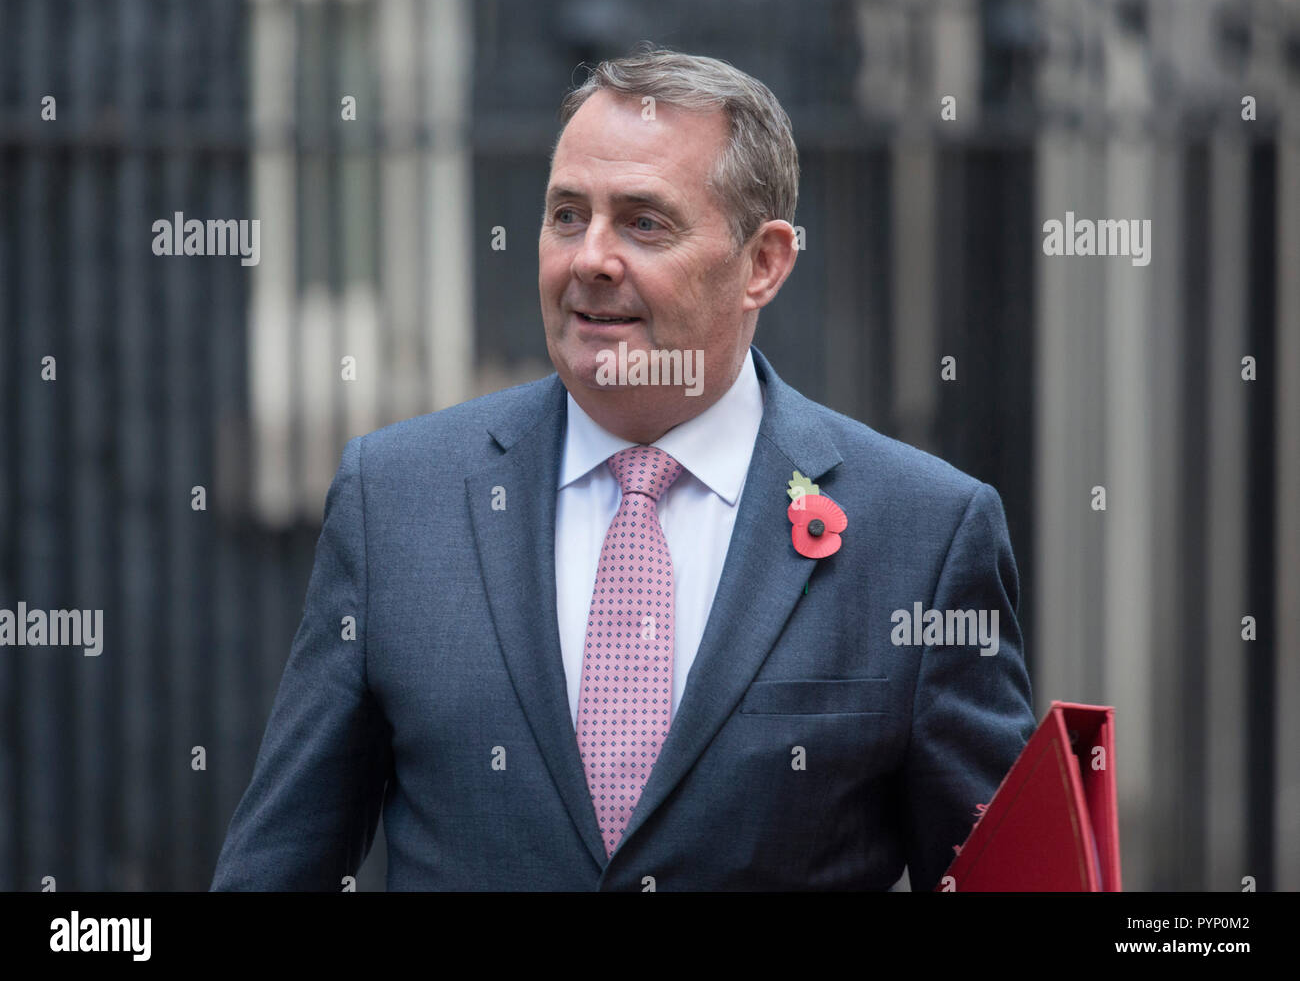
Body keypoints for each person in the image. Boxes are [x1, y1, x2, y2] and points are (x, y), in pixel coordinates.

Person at [211, 46, 1034, 891]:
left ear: (764, 264)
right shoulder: (397, 500)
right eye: (568, 215)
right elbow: (278, 865)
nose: (589, 259)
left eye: (644, 222)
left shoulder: (923, 534)